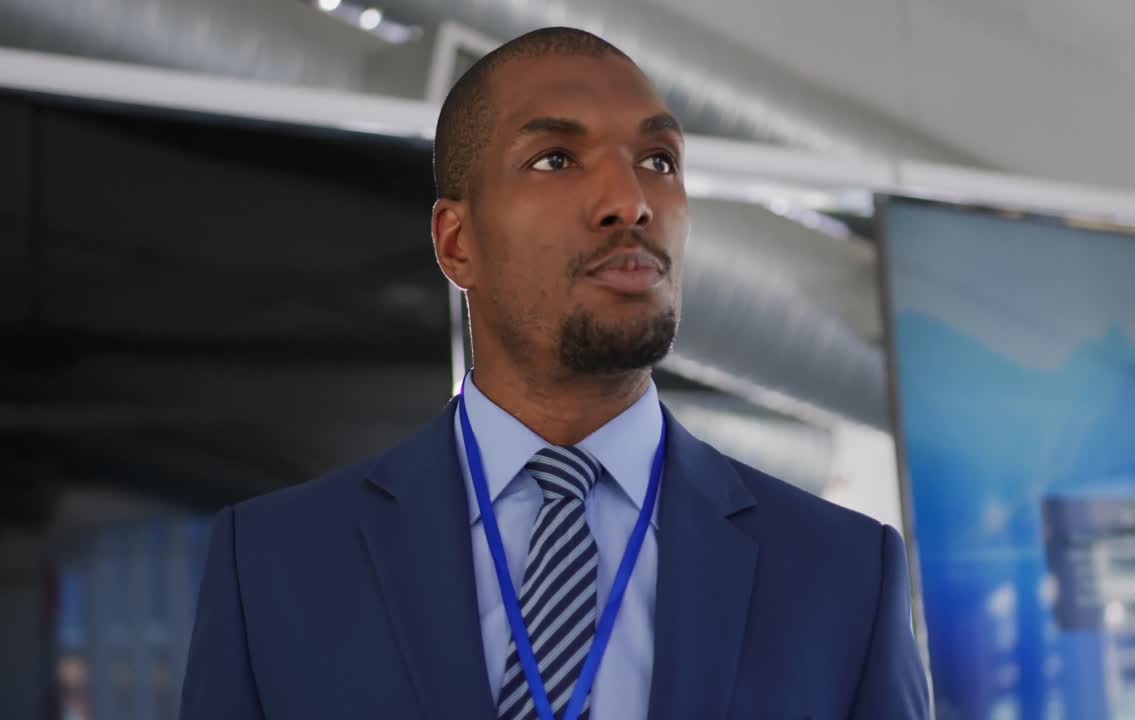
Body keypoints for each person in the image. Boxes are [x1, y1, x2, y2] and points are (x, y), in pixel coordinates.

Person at [179, 26, 929, 720]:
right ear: (456, 242)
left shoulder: (844, 577)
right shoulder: (274, 566)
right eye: (556, 160)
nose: (629, 202)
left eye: (658, 161)